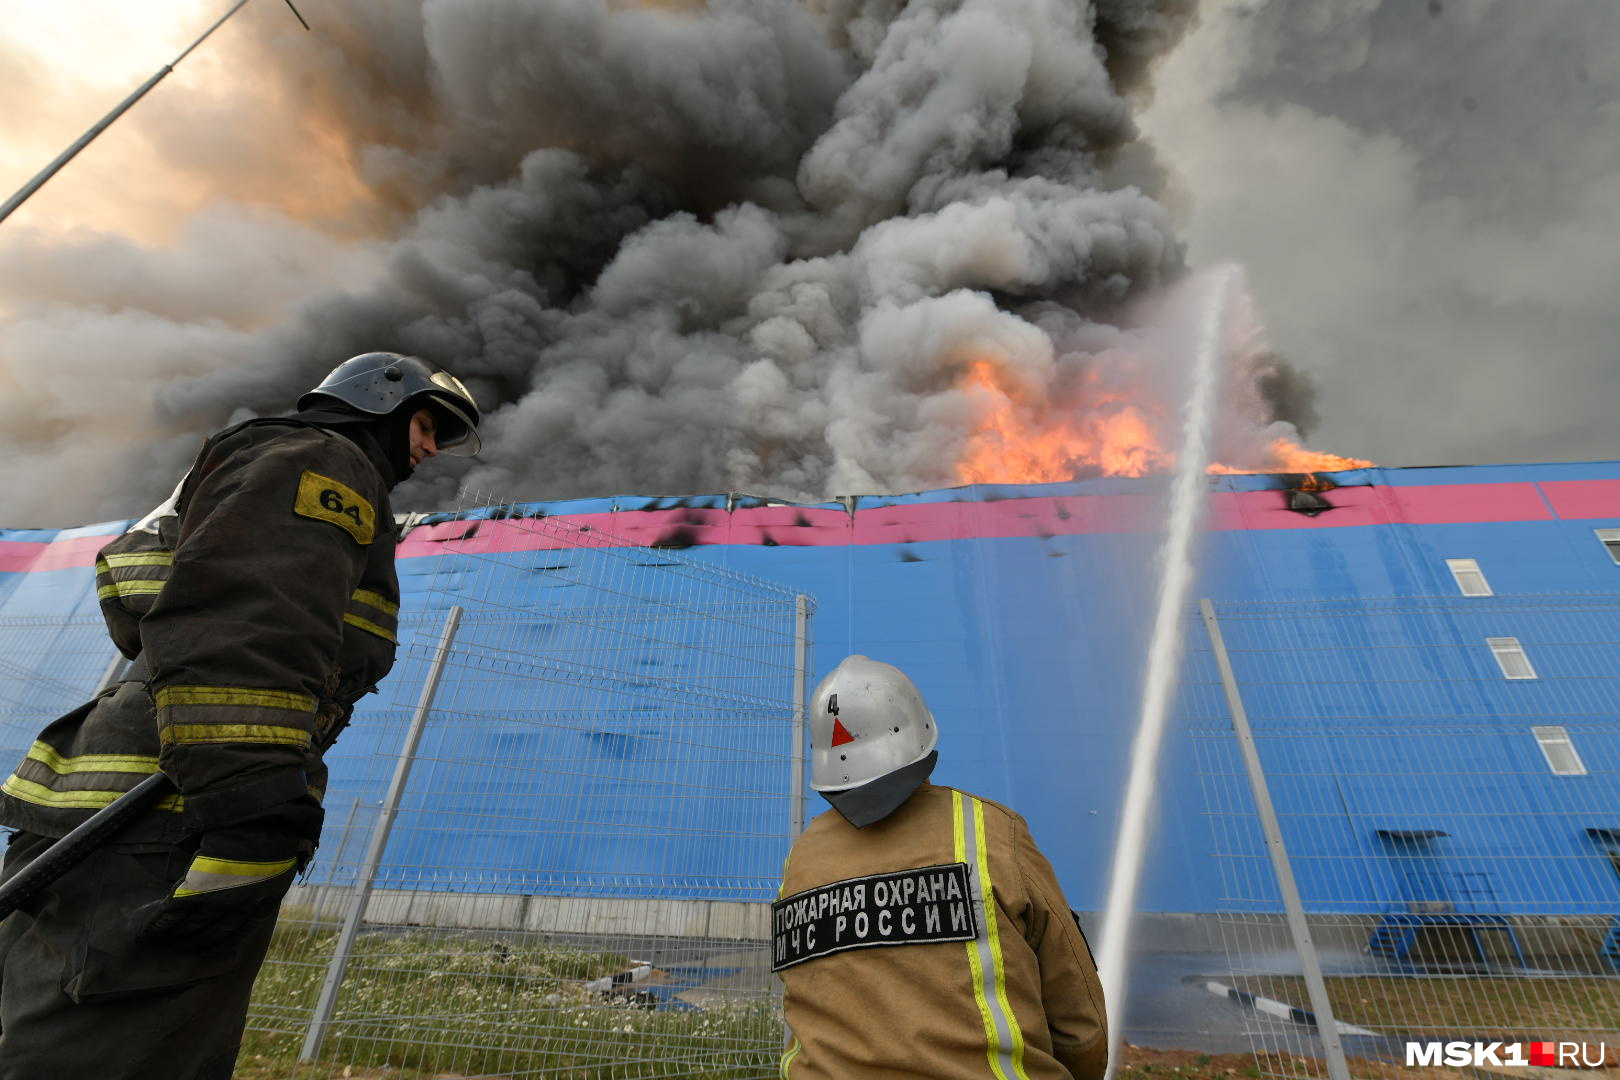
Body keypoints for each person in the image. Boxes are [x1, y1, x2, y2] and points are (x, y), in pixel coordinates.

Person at [0, 352, 480, 1080]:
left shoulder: (237, 469)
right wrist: (253, 804)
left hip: (121, 794)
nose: (429, 448)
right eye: (423, 424)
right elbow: (249, 621)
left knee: (55, 1019)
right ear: (375, 400)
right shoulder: (324, 460)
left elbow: (142, 598)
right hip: (177, 808)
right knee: (124, 1047)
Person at [773, 654, 1108, 1080]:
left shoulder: (801, 859)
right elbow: (1079, 1012)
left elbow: (800, 999)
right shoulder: (992, 831)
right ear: (922, 732)